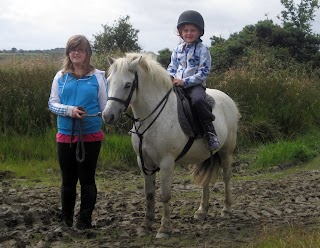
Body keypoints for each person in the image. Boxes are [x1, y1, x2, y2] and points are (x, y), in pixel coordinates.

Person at [48, 35, 108, 229]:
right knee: (68, 180)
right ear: (68, 53)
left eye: (80, 49)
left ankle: (84, 221)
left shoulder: (98, 76)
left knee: (87, 179)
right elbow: (52, 103)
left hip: (90, 135)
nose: (75, 53)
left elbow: (105, 106)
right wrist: (69, 110)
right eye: (72, 49)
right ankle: (66, 220)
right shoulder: (60, 76)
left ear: (87, 53)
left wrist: (98, 114)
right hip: (65, 134)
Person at [167, 10, 220, 151]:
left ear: (199, 32)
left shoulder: (203, 50)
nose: (189, 33)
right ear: (180, 32)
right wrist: (169, 79)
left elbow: (203, 72)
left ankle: (210, 131)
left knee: (198, 100)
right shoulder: (177, 50)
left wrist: (185, 82)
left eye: (192, 30)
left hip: (194, 85)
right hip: (176, 84)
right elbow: (172, 67)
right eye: (186, 30)